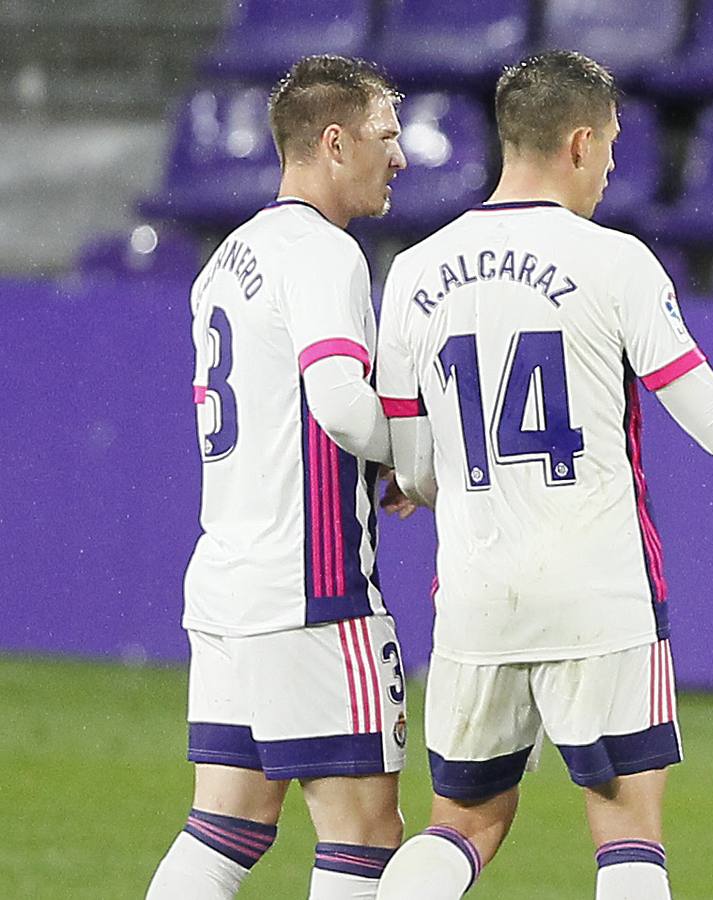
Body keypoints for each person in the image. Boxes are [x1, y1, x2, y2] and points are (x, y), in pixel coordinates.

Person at [372, 50, 713, 900]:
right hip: (600, 596)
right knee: (626, 831)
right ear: (580, 142)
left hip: (477, 598)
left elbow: (414, 471)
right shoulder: (615, 262)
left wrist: (444, 480)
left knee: (463, 823)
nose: (616, 166)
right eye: (614, 146)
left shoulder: (410, 273)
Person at [146, 55, 412, 900]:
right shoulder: (321, 253)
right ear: (334, 142)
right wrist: (418, 457)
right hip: (312, 591)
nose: (399, 157)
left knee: (224, 828)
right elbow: (338, 403)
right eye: (384, 135)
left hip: (227, 580)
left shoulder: (228, 258)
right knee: (365, 834)